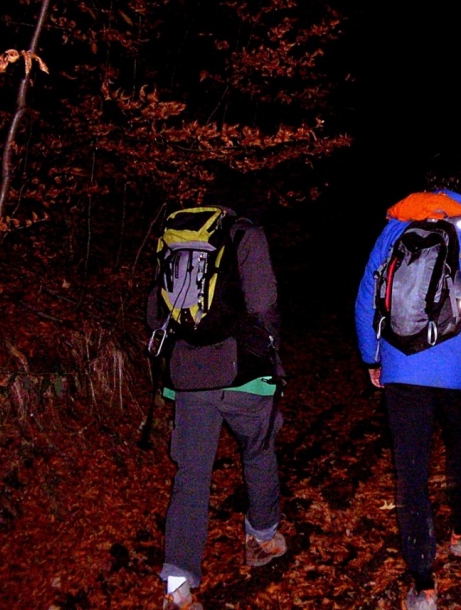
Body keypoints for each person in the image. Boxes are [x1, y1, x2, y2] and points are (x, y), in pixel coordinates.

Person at [354, 154, 461, 610]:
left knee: (411, 471)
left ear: (427, 189)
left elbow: (366, 298)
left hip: (402, 367)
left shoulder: (393, 231)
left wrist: (373, 356)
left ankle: (423, 583)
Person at [147, 185, 287, 610]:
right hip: (243, 371)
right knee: (258, 451)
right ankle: (261, 538)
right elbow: (263, 302)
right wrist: (271, 350)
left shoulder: (175, 236)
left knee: (191, 474)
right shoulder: (245, 234)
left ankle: (177, 585)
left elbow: (155, 313)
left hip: (189, 375)